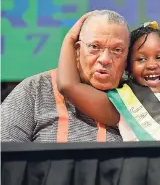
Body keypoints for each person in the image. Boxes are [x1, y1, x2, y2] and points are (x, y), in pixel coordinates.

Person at [1, 10, 130, 142]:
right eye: (95, 47)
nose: (105, 59)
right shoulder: (35, 89)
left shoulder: (136, 101)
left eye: (117, 50)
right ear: (77, 50)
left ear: (127, 60)